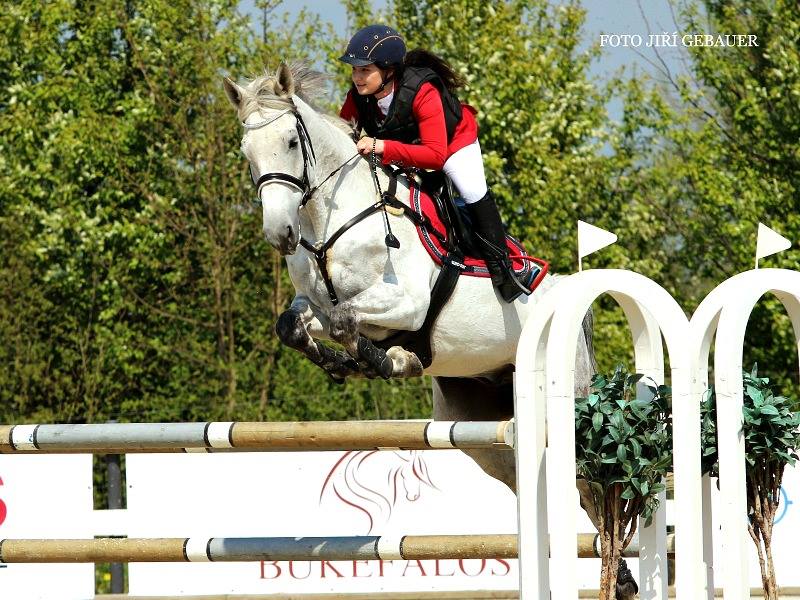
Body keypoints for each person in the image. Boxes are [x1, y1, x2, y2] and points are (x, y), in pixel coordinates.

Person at [338, 24, 530, 303]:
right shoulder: (358, 96)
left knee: (472, 191)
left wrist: (381, 146)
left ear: (389, 70)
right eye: (355, 69)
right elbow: (344, 135)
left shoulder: (422, 91)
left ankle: (505, 270)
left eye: (364, 70)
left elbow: (435, 156)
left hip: (452, 144)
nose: (357, 77)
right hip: (406, 149)